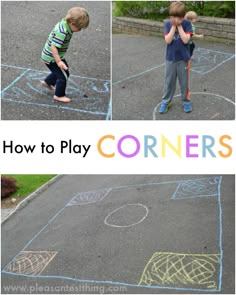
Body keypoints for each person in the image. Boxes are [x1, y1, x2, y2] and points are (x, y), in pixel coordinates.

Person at [41, 7, 89, 103]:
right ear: (72, 23)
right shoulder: (62, 32)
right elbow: (53, 46)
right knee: (63, 77)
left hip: (53, 55)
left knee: (64, 71)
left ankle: (47, 82)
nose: (79, 30)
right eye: (79, 28)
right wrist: (58, 61)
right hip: (52, 57)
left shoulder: (64, 23)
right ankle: (59, 95)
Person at [159, 1, 193, 114]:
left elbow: (185, 40)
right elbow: (168, 40)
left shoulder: (187, 24)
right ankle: (166, 101)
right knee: (169, 82)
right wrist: (174, 26)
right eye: (171, 16)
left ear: (182, 17)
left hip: (183, 59)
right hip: (170, 59)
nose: (173, 19)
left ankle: (186, 101)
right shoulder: (168, 24)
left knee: (184, 82)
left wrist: (179, 26)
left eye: (176, 17)